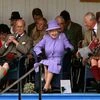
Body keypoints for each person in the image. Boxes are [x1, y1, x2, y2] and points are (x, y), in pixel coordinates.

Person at [33, 20, 73, 92]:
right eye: (51, 31)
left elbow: (70, 46)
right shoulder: (46, 37)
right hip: (48, 60)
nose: (54, 33)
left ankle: (45, 86)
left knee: (50, 64)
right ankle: (49, 87)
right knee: (45, 64)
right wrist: (40, 54)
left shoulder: (62, 36)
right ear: (48, 32)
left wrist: (68, 49)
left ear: (58, 30)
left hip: (59, 60)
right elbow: (36, 47)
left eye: (55, 31)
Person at [77, 12, 100, 92]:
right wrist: (81, 53)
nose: (85, 24)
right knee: (93, 61)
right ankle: (98, 83)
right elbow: (85, 46)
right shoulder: (87, 33)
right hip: (92, 57)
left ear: (92, 21)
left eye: (86, 22)